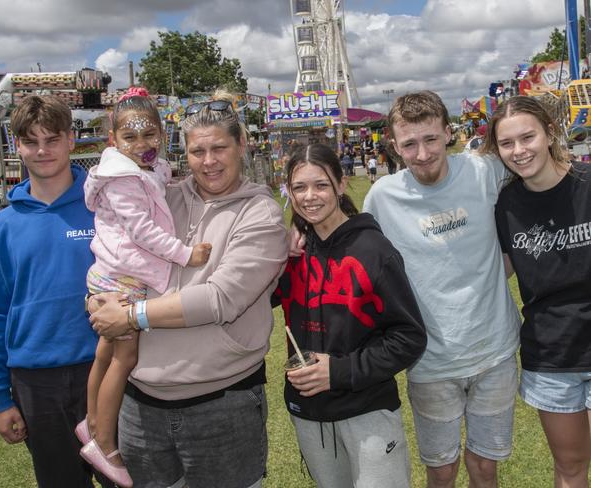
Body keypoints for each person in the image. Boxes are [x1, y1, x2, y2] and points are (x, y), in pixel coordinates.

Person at [87, 90, 288, 488]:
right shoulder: (162, 196)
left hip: (221, 405)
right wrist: (97, 297)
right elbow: (115, 251)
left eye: (219, 148)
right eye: (198, 151)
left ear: (242, 145)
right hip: (140, 404)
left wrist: (129, 315)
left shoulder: (260, 213)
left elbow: (220, 299)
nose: (209, 162)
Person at [363, 91, 521, 488]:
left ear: (448, 133)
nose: (422, 154)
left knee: (485, 468)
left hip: (495, 353)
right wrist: (299, 229)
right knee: (441, 470)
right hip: (430, 361)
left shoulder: (484, 170)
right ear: (394, 147)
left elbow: (538, 176)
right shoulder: (382, 197)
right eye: (409, 144)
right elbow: (350, 244)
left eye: (431, 139)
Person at [0, 95, 113, 488]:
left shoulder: (105, 208)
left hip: (107, 369)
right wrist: (0, 398)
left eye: (52, 139)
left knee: (128, 478)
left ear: (71, 140)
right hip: (36, 383)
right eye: (31, 141)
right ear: (16, 145)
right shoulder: (1, 227)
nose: (42, 150)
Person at [76, 88, 212, 487]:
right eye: (130, 137)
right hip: (123, 278)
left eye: (149, 134)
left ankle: (90, 423)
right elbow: (143, 230)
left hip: (114, 272)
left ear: (161, 132)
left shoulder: (143, 171)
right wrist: (185, 255)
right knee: (125, 358)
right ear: (113, 140)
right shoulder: (121, 179)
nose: (142, 144)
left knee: (105, 352)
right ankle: (104, 443)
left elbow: (160, 188)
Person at [274, 143, 426, 487]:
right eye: (299, 187)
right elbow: (251, 297)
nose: (310, 196)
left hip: (367, 408)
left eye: (321, 185)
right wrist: (276, 252)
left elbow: (410, 337)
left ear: (341, 185)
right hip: (310, 414)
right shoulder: (293, 253)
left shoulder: (373, 250)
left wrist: (339, 371)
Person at [482, 95, 591, 487]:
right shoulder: (506, 205)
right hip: (551, 357)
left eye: (527, 137)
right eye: (507, 143)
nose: (519, 150)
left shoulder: (586, 184)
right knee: (570, 467)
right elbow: (497, 270)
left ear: (549, 133)